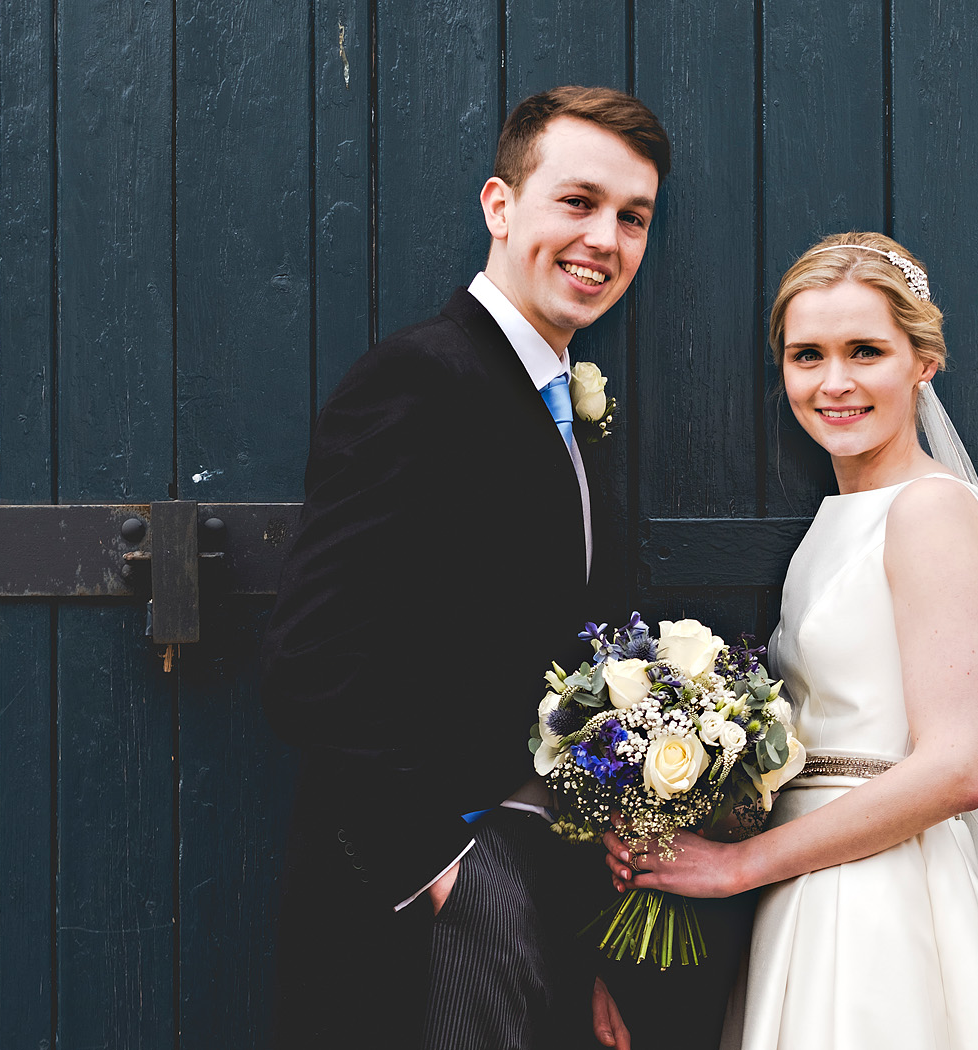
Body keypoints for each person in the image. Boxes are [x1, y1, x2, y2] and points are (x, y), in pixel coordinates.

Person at [603, 232, 978, 1048]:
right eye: (806, 355)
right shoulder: (839, 521)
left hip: (879, 901)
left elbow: (956, 769)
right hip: (814, 885)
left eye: (865, 351)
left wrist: (737, 867)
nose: (833, 383)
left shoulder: (928, 510)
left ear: (921, 361)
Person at [260, 85, 668, 1050]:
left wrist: (573, 946)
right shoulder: (423, 378)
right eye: (577, 202)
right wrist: (449, 877)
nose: (604, 239)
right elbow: (310, 663)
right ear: (499, 205)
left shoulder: (560, 407)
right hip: (416, 902)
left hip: (532, 893)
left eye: (632, 217)